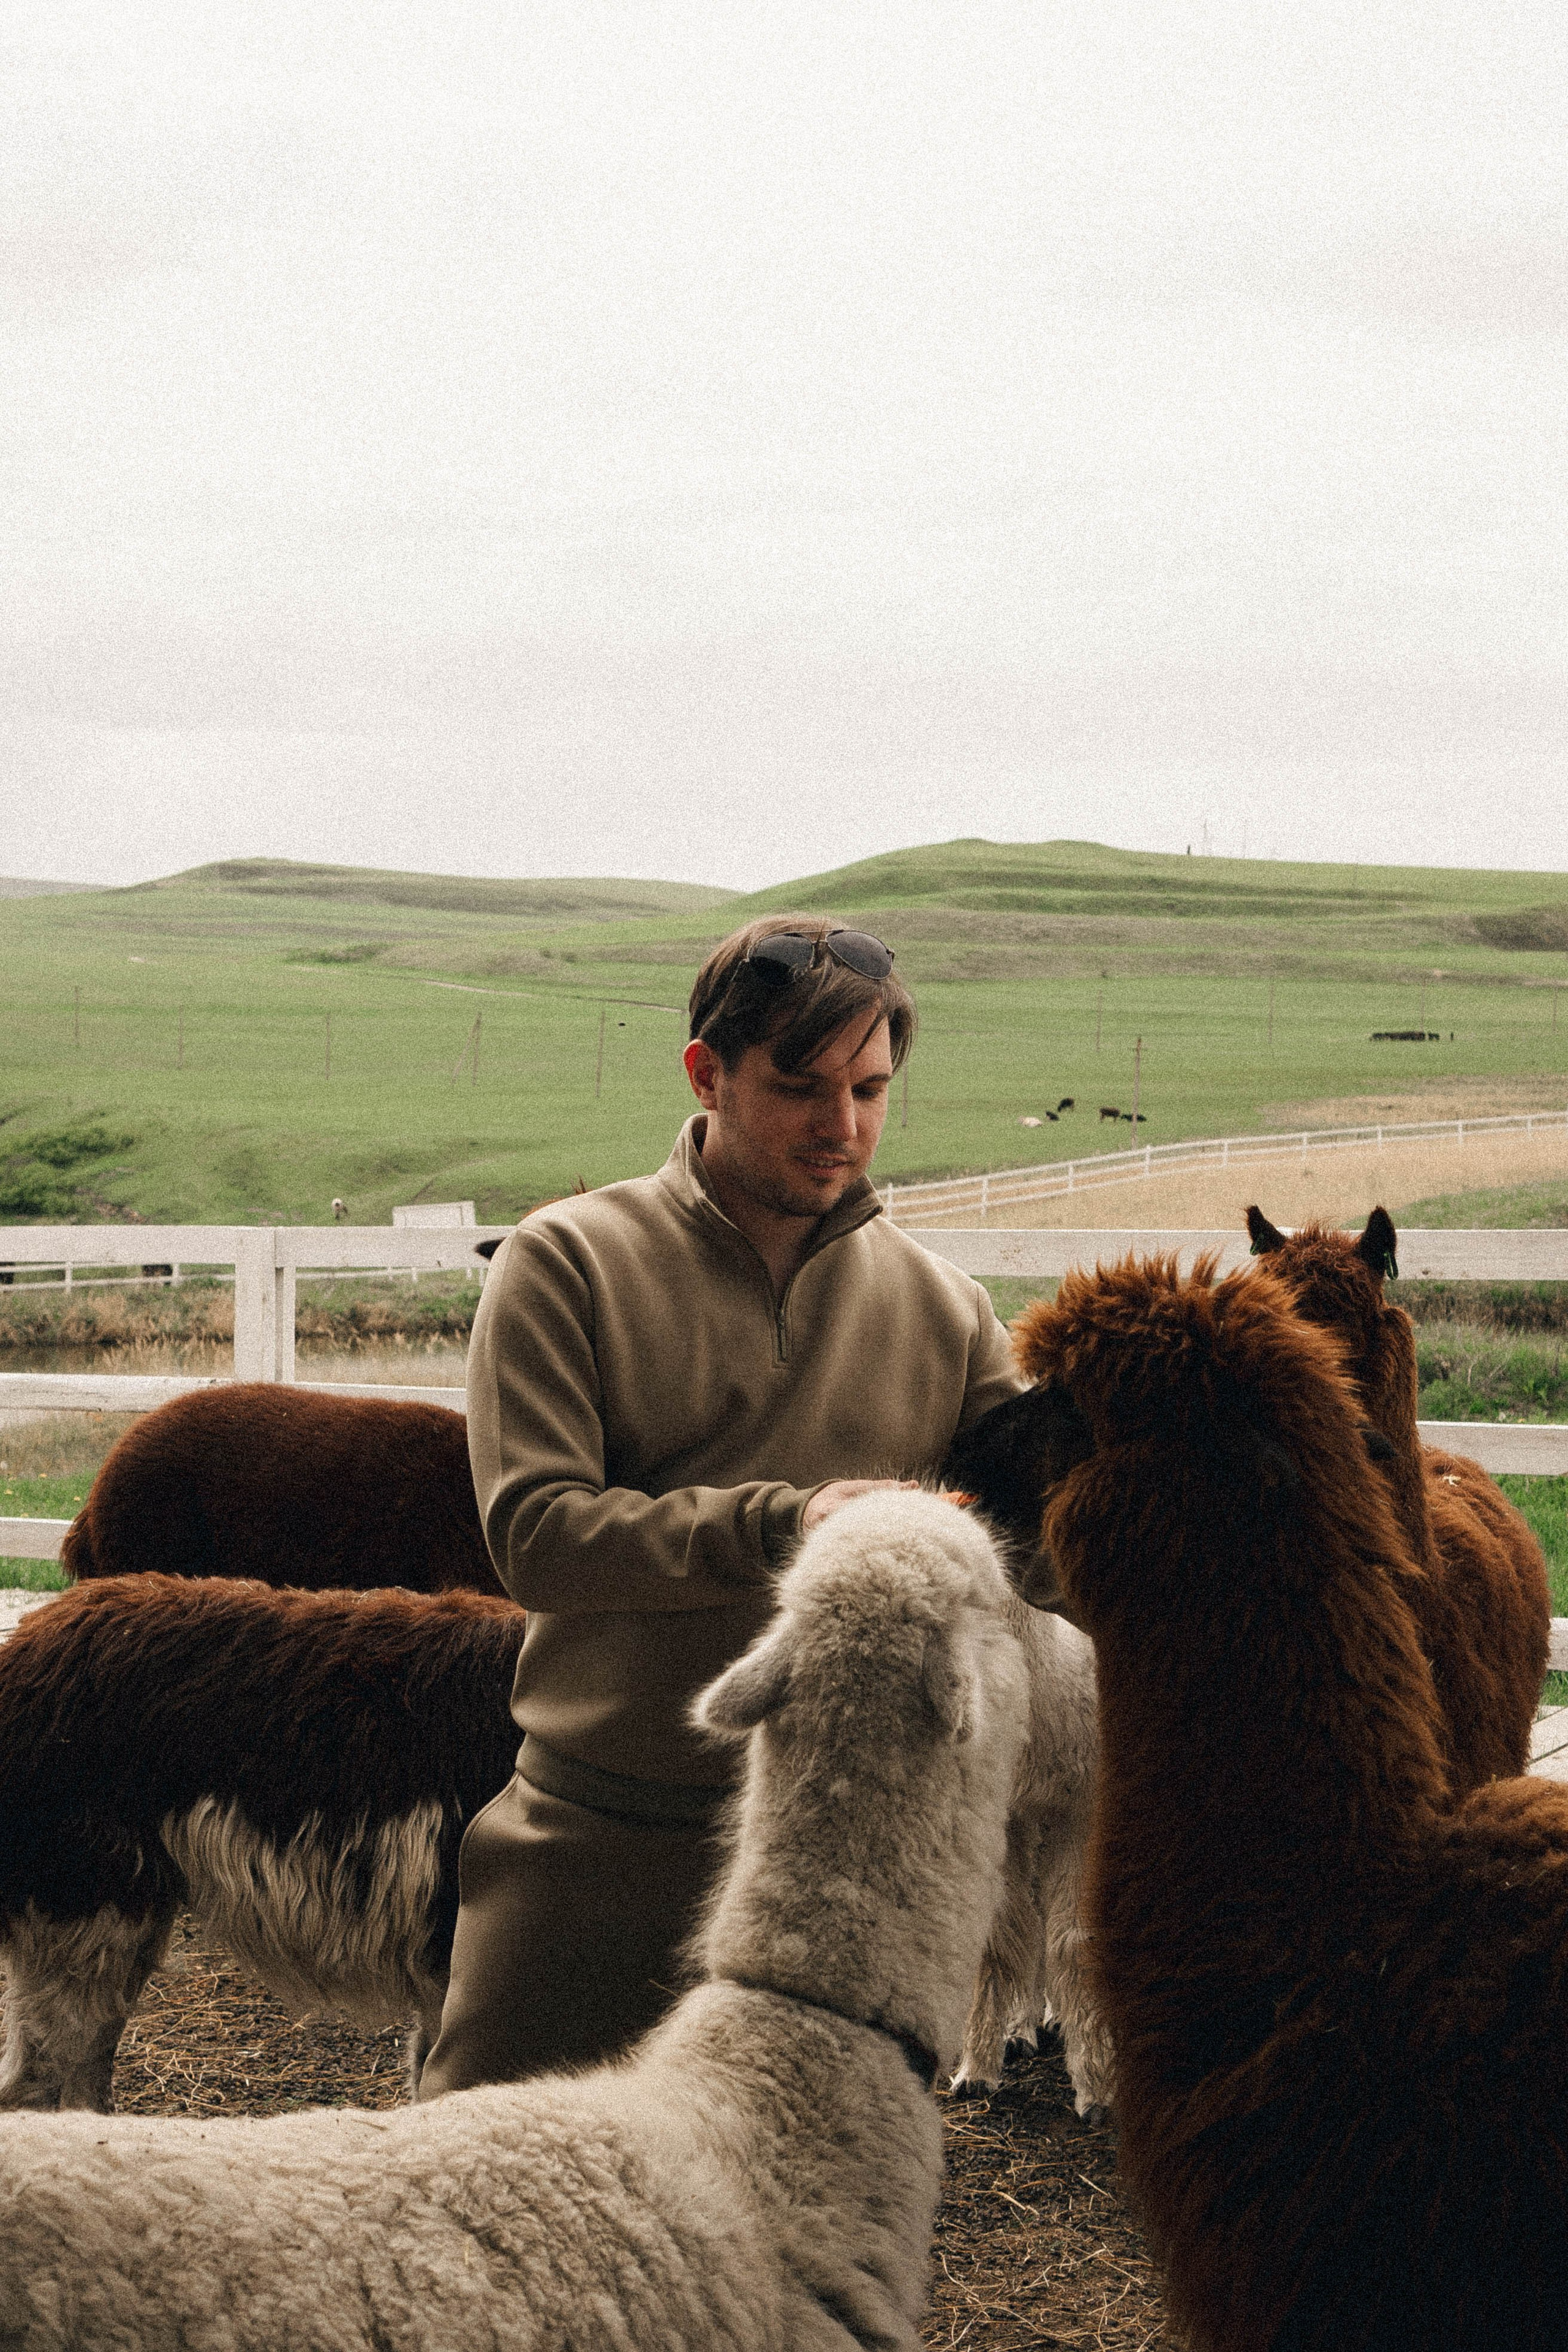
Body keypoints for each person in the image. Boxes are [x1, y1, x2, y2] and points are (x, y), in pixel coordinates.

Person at [417, 913, 1023, 2099]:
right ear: (706, 1073)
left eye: (868, 1088)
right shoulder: (563, 1265)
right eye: (801, 1087)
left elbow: (1046, 1544)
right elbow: (536, 1538)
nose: (841, 1126)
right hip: (591, 1853)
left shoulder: (947, 1311)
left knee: (798, 2269)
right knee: (487, 2230)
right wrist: (782, 1526)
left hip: (842, 1884)